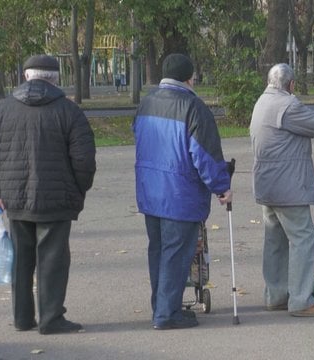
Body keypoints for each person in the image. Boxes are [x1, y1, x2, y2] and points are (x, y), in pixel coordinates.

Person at [0, 55, 96, 334]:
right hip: (56, 199)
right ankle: (51, 318)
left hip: (15, 199)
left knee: (21, 258)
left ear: (25, 76)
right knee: (53, 259)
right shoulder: (69, 111)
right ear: (56, 79)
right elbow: (84, 160)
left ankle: (22, 318)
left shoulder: (1, 110)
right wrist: (78, 190)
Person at [133, 53, 232, 330]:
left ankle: (163, 307)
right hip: (180, 194)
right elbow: (205, 156)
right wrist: (222, 187)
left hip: (151, 191)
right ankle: (166, 314)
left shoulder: (146, 103)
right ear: (190, 78)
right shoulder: (194, 107)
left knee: (159, 252)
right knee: (176, 255)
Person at [250, 63, 314, 317]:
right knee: (303, 239)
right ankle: (300, 300)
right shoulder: (288, 106)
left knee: (275, 240)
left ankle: (275, 295)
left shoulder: (262, 102)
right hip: (287, 187)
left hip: (267, 184)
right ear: (292, 85)